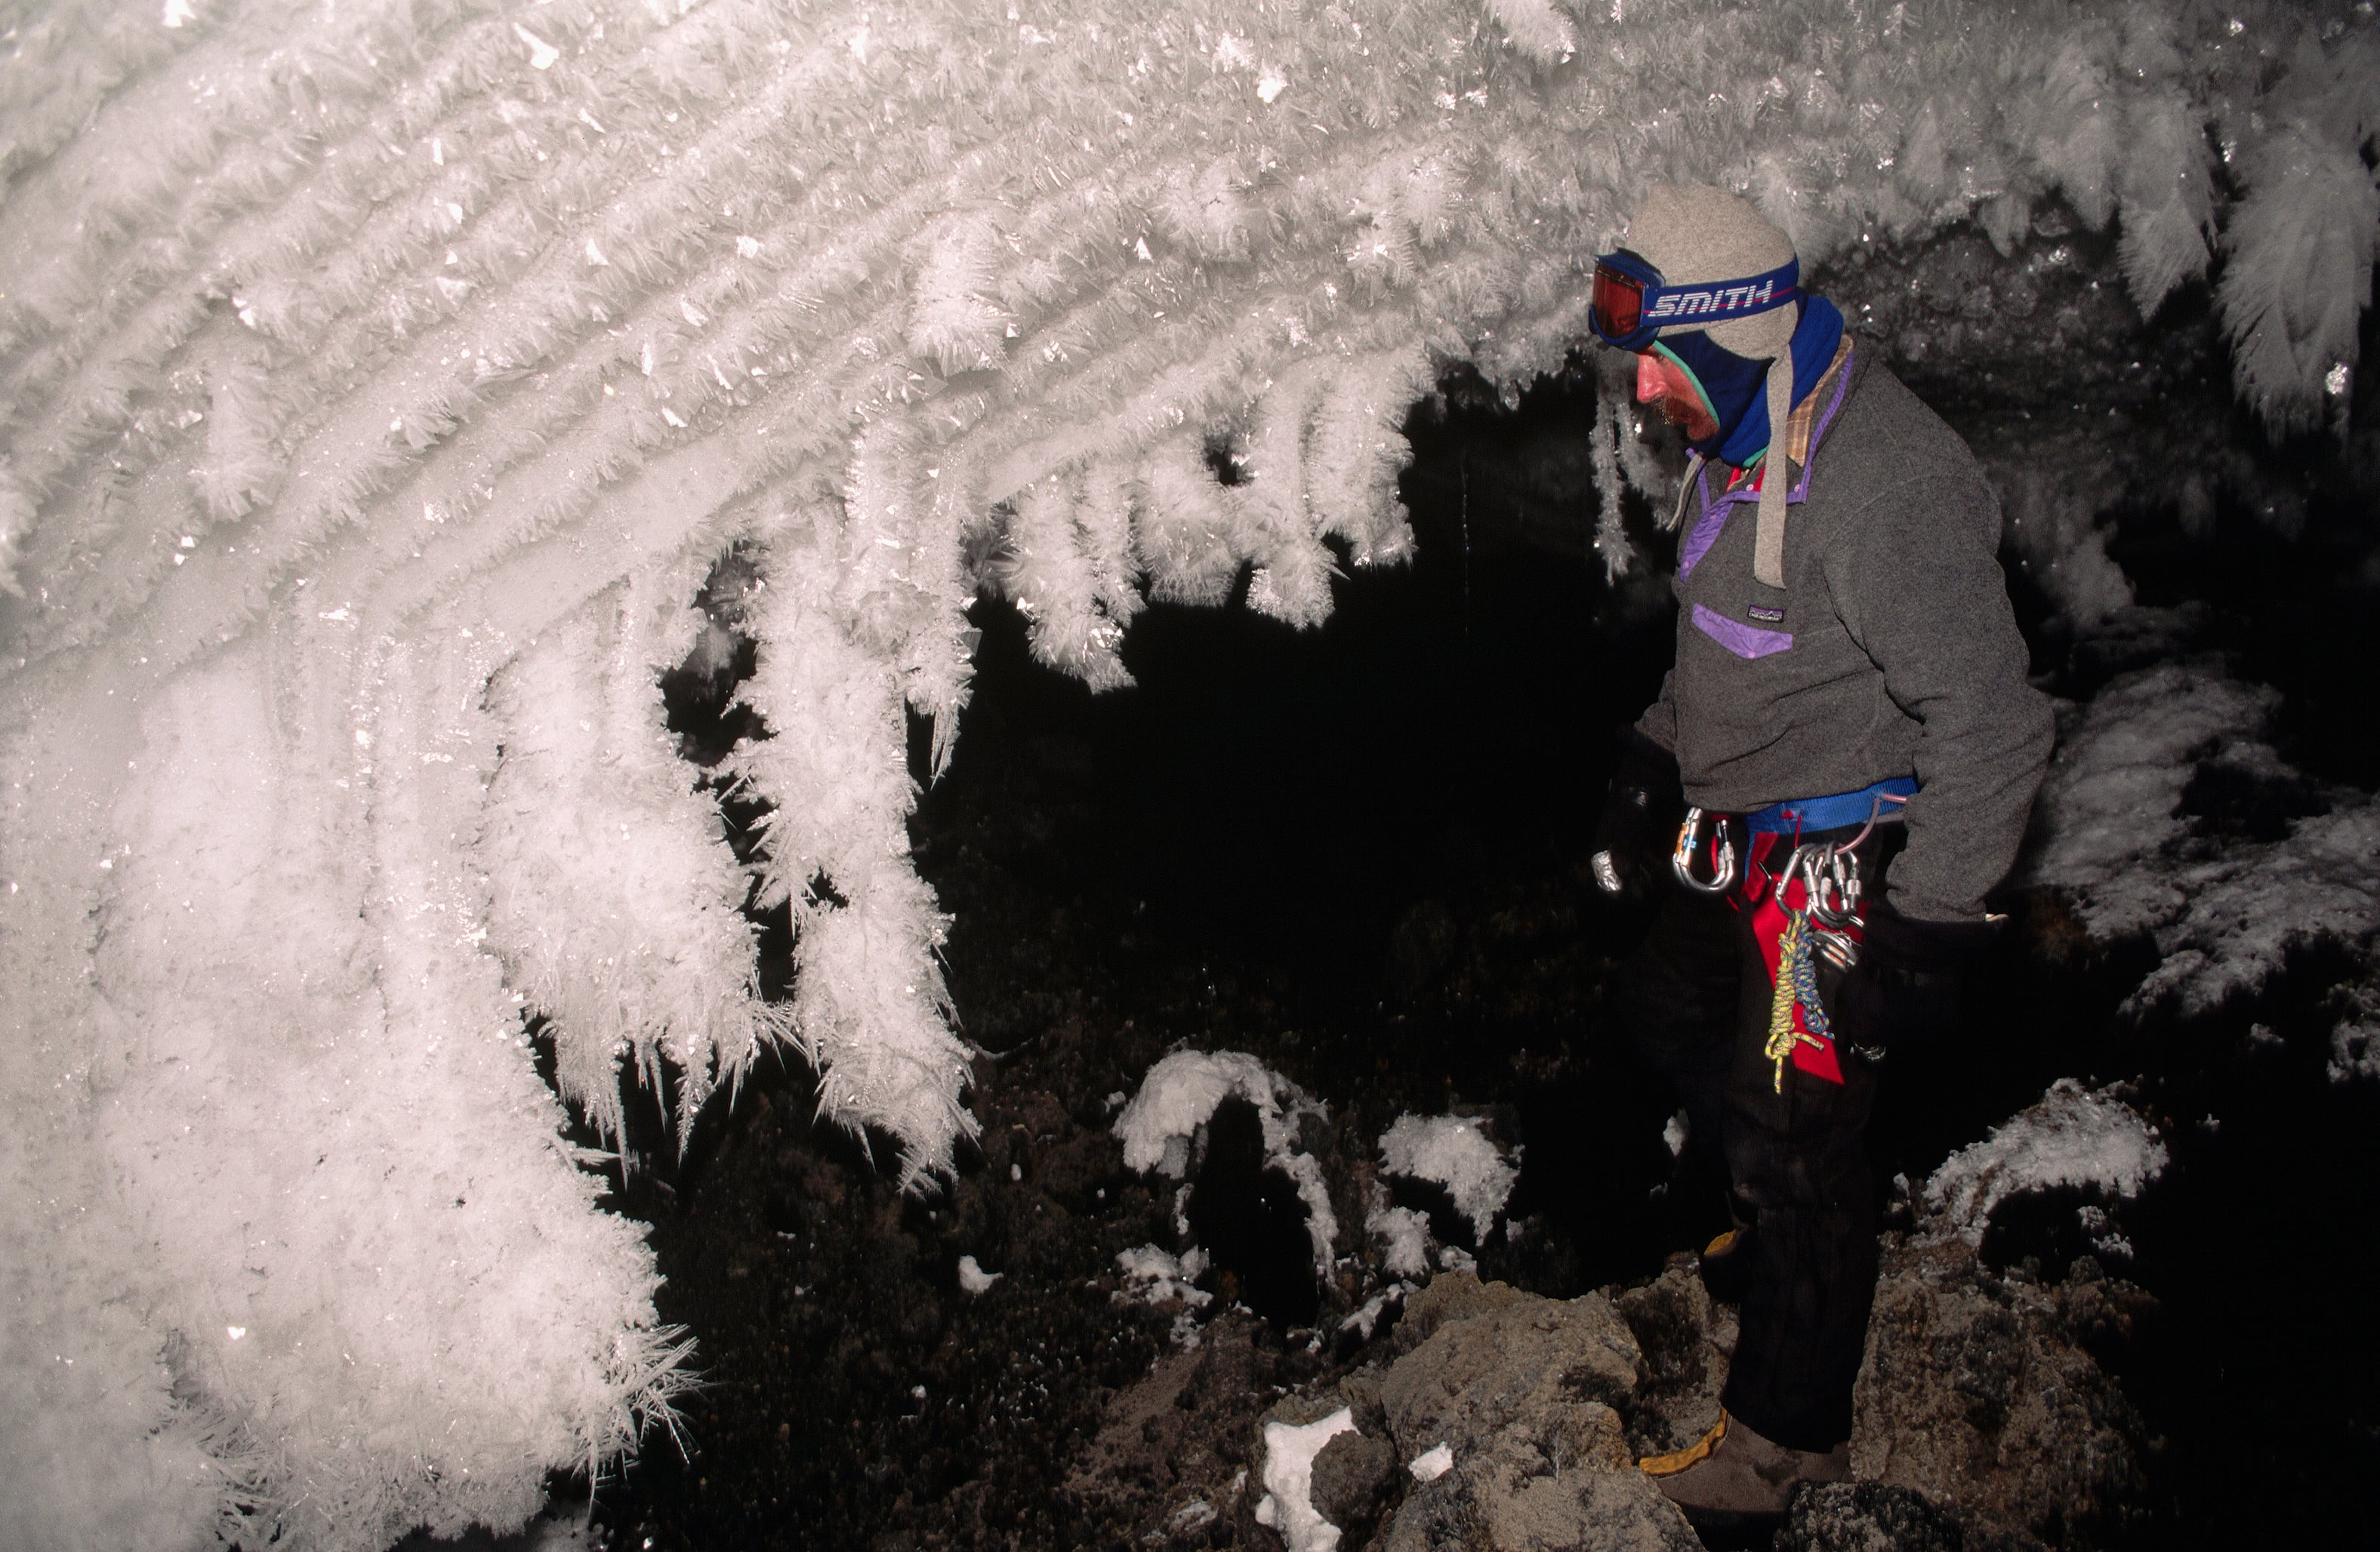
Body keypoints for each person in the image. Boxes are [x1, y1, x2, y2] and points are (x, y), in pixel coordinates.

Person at [1581, 186, 2055, 1528]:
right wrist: (1650, 762)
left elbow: (1997, 721)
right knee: (1665, 1011)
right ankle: (1777, 1216)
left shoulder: (1887, 484)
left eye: (1660, 356)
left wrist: (1933, 918)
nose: (1644, 389)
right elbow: (1733, 641)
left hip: (1837, 852)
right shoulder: (1737, 436)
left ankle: (1788, 1444)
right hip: (1742, 820)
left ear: (1733, 335)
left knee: (1797, 1141)